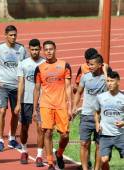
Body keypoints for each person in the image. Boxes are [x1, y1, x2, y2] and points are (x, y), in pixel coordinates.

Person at [0, 25, 28, 152]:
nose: (13, 37)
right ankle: (0, 140)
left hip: (17, 86)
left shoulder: (21, 49)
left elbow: (27, 65)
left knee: (16, 113)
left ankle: (12, 138)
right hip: (3, 85)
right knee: (2, 111)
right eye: (11, 35)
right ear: (5, 35)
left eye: (15, 35)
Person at [33, 40, 72, 170]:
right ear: (43, 51)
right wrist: (34, 109)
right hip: (46, 104)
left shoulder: (64, 65)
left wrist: (70, 106)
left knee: (65, 135)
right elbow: (37, 89)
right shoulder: (39, 68)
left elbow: (68, 87)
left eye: (51, 49)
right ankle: (50, 162)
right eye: (46, 49)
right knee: (47, 132)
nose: (49, 52)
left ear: (55, 50)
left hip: (61, 105)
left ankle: (59, 153)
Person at [73, 54, 107, 170]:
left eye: (92, 64)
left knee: (99, 146)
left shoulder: (106, 79)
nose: (89, 66)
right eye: (89, 64)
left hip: (102, 118)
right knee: (84, 144)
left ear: (99, 65)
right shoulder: (85, 77)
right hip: (86, 116)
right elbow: (78, 92)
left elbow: (111, 89)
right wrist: (74, 106)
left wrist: (106, 71)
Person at [14, 39, 45, 166]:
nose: (35, 52)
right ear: (29, 49)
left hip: (41, 101)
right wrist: (17, 103)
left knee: (41, 129)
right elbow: (21, 83)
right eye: (32, 49)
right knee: (24, 128)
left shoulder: (44, 63)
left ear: (40, 49)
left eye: (37, 49)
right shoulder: (23, 63)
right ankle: (24, 150)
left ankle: (39, 155)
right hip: (25, 100)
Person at [94, 71, 124, 170]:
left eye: (112, 81)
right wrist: (97, 123)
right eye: (107, 81)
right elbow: (97, 112)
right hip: (105, 134)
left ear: (118, 82)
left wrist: (123, 123)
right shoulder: (100, 97)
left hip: (120, 134)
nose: (109, 83)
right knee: (104, 160)